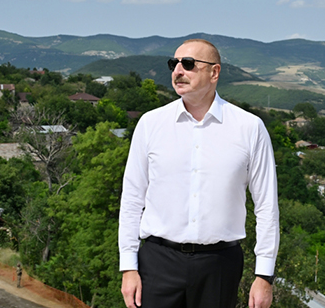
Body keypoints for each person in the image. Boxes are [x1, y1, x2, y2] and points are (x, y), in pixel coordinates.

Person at [119, 39, 279, 308]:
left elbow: (266, 206)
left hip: (219, 265)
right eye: (174, 63)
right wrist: (128, 266)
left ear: (214, 72)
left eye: (189, 64)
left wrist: (264, 275)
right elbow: (132, 199)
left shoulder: (250, 128)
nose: (178, 71)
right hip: (157, 262)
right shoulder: (150, 124)